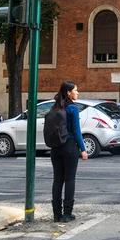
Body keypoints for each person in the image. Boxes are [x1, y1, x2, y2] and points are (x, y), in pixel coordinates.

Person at [50, 81, 88, 223]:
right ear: (68, 93)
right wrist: (83, 149)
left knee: (57, 180)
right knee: (69, 179)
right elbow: (77, 131)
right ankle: (67, 214)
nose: (77, 93)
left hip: (55, 148)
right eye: (75, 90)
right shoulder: (73, 108)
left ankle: (56, 214)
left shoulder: (55, 107)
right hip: (70, 146)